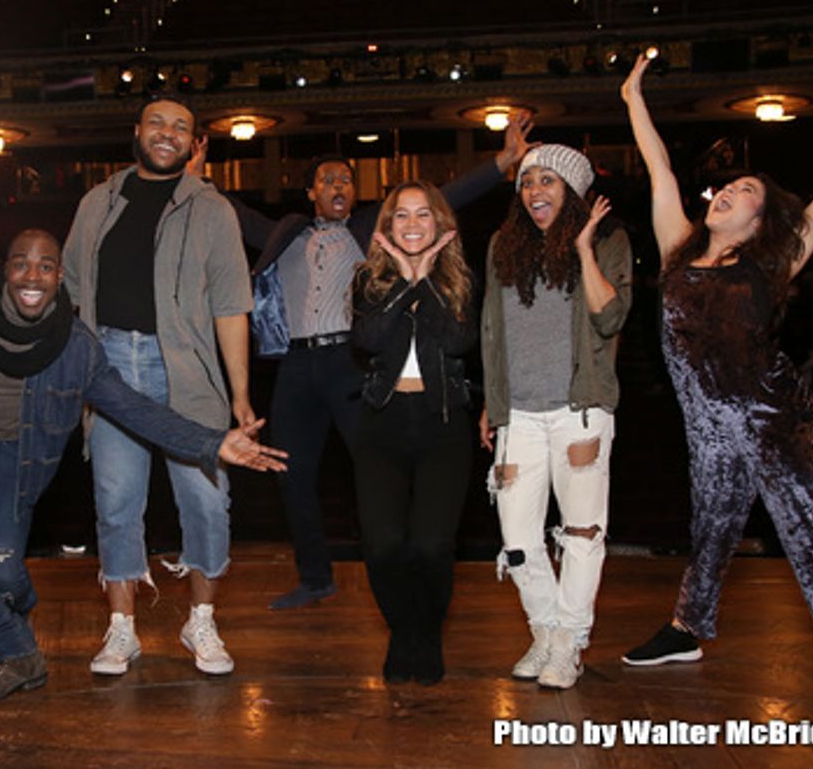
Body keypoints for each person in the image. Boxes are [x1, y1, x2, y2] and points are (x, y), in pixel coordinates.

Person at [617, 53, 813, 736]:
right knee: (708, 536)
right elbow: (660, 168)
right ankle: (685, 629)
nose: (729, 191)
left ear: (762, 221)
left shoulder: (773, 263)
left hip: (778, 424)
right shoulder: (676, 247)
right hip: (710, 436)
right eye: (727, 186)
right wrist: (631, 97)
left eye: (746, 191)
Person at [0, 229, 287, 706]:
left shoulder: (76, 347)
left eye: (46, 267)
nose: (32, 276)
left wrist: (212, 443)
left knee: (0, 572)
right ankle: (17, 649)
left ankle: (15, 606)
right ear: (5, 268)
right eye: (20, 263)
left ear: (61, 276)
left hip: (11, 457)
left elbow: (134, 408)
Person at [194, 117, 534, 611]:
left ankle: (400, 562)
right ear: (311, 191)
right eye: (328, 179)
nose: (338, 185)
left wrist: (503, 162)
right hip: (296, 367)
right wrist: (201, 177)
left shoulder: (371, 229)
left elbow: (446, 197)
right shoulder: (286, 233)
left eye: (346, 180)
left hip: (351, 363)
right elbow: (234, 214)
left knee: (379, 467)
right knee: (290, 472)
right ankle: (315, 578)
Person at [62, 93, 254, 676]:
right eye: (157, 123)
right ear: (137, 131)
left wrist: (241, 395)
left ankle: (201, 622)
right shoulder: (97, 203)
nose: (167, 133)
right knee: (116, 503)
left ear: (194, 143)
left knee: (206, 502)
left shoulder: (213, 210)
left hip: (188, 373)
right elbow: (68, 295)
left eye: (181, 127)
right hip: (111, 368)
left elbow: (230, 306)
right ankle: (122, 629)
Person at [479, 143, 632, 690]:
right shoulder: (503, 246)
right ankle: (545, 631)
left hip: (581, 411)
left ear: (571, 189)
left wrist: (585, 248)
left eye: (547, 180)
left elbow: (611, 316)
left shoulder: (609, 240)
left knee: (581, 533)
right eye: (526, 181)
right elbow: (492, 332)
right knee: (517, 536)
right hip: (517, 414)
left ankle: (569, 642)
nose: (535, 191)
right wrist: (492, 404)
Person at [350, 181, 477, 686]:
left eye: (422, 215)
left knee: (431, 546)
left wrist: (426, 279)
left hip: (443, 424)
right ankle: (405, 631)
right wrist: (405, 279)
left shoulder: (460, 279)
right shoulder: (369, 280)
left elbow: (458, 339)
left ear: (440, 224)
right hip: (381, 423)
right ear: (388, 227)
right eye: (400, 216)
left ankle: (425, 634)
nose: (411, 224)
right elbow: (368, 339)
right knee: (382, 546)